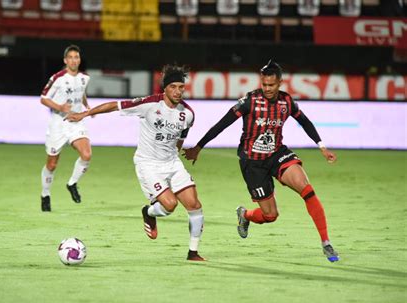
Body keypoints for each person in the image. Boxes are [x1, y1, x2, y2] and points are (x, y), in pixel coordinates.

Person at [183, 60, 339, 262]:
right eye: (264, 84)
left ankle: (326, 243)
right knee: (270, 216)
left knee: (307, 190)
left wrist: (322, 147)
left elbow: (305, 122)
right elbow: (223, 123)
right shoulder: (249, 101)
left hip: (277, 155)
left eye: (271, 85)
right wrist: (199, 147)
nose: (267, 89)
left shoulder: (286, 102)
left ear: (280, 83)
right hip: (252, 163)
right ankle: (245, 215)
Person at [66, 64, 205, 261]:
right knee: (170, 205)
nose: (178, 91)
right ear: (164, 88)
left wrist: (179, 150)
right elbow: (115, 105)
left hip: (172, 163)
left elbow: (182, 134)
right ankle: (149, 212)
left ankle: (193, 253)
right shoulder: (149, 104)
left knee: (194, 205)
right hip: (148, 164)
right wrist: (84, 114)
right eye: (173, 86)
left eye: (181, 87)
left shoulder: (187, 113)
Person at [39, 44, 92, 212]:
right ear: (65, 60)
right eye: (70, 57)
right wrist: (60, 107)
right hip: (58, 124)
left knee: (86, 154)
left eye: (76, 57)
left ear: (79, 60)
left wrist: (88, 107)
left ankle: (72, 183)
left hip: (75, 121)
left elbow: (81, 92)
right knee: (52, 164)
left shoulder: (85, 78)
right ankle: (45, 194)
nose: (74, 60)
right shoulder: (58, 78)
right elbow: (43, 98)